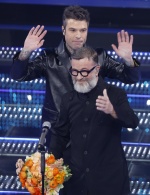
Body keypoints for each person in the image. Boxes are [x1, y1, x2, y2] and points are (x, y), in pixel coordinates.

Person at [10, 5, 140, 142]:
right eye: (73, 30)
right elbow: (18, 75)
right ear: (63, 30)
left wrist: (128, 60)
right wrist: (26, 52)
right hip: (58, 133)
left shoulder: (99, 57)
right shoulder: (49, 58)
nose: (78, 36)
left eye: (83, 30)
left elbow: (130, 78)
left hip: (91, 133)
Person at [49, 46, 139, 195]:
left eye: (84, 72)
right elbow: (60, 135)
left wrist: (113, 110)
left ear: (97, 69)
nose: (78, 77)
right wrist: (50, 163)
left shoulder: (115, 94)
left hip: (108, 182)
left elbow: (133, 121)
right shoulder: (68, 99)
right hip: (75, 182)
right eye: (74, 72)